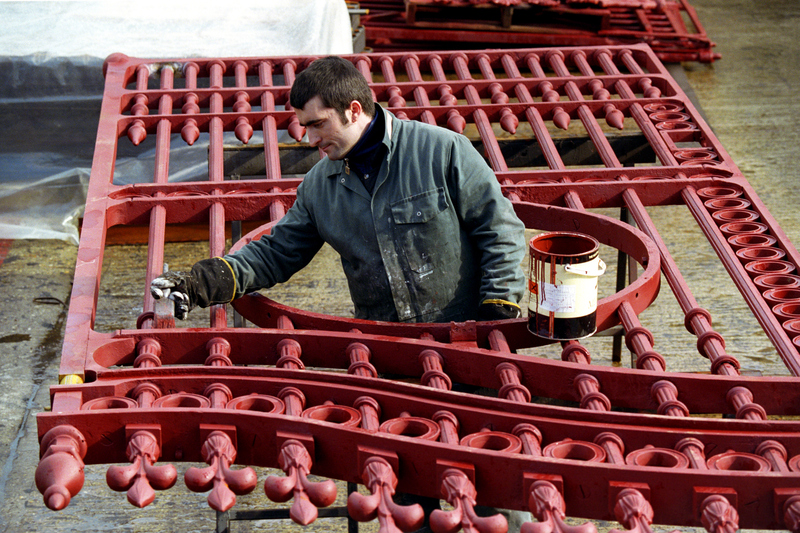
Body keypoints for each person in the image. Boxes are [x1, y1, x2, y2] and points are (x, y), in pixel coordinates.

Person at [151, 55, 527, 324]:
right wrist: (201, 283)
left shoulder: (442, 150)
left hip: (465, 333)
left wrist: (496, 308)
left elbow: (500, 230)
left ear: (353, 109)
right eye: (304, 126)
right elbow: (276, 253)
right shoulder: (319, 187)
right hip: (385, 348)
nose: (310, 138)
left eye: (317, 124)